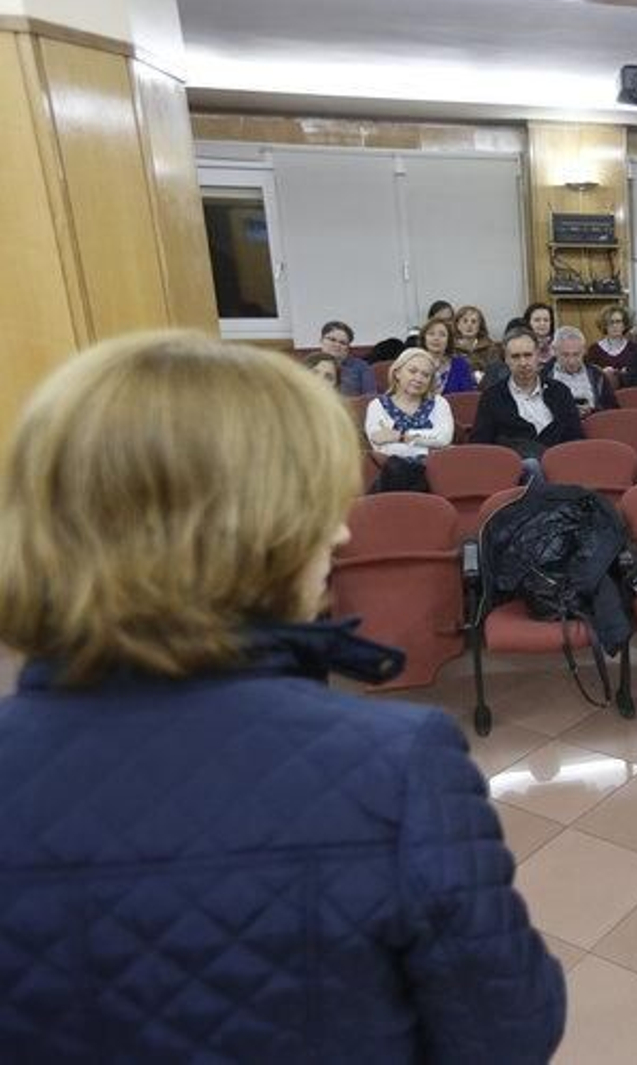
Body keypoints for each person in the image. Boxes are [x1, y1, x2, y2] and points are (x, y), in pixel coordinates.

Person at [0, 332, 565, 1060]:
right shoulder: (396, 767)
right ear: (247, 529)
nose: (337, 532)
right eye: (314, 503)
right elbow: (511, 1029)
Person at [472, 326, 582, 483]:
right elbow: (481, 446)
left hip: (560, 470)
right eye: (516, 357)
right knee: (531, 466)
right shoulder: (492, 397)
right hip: (514, 475)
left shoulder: (560, 392)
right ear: (506, 360)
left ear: (538, 356)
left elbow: (576, 439)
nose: (523, 362)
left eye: (528, 355)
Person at [365, 347, 455, 461]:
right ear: (397, 373)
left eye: (426, 375)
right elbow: (383, 449)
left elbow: (444, 438)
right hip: (393, 473)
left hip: (437, 470)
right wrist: (430, 448)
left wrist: (400, 436)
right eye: (412, 371)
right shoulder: (377, 406)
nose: (418, 378)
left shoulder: (439, 402)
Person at [543, 325, 617, 419]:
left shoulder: (597, 375)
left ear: (584, 351)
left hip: (592, 425)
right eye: (565, 355)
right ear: (555, 352)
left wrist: (593, 411)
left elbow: (612, 410)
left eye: (576, 354)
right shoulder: (543, 376)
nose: (571, 361)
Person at [586, 305, 637, 387]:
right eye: (611, 322)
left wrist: (626, 374)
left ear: (625, 325)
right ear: (604, 325)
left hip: (629, 393)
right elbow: (589, 377)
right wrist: (602, 373)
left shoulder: (635, 348)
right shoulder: (594, 350)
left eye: (618, 321)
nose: (615, 326)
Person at [418, 318, 475, 394]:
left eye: (442, 335)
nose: (436, 338)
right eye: (431, 334)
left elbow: (469, 395)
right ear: (424, 338)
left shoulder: (460, 364)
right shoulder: (415, 363)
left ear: (449, 340)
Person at [320, 319, 376, 396]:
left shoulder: (361, 367)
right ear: (321, 340)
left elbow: (370, 398)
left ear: (348, 348)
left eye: (342, 343)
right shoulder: (309, 365)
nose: (337, 345)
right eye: (332, 340)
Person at [452, 304, 501, 377]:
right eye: (465, 321)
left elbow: (496, 373)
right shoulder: (450, 348)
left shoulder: (491, 348)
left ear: (480, 326)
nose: (469, 325)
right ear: (458, 325)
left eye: (474, 322)